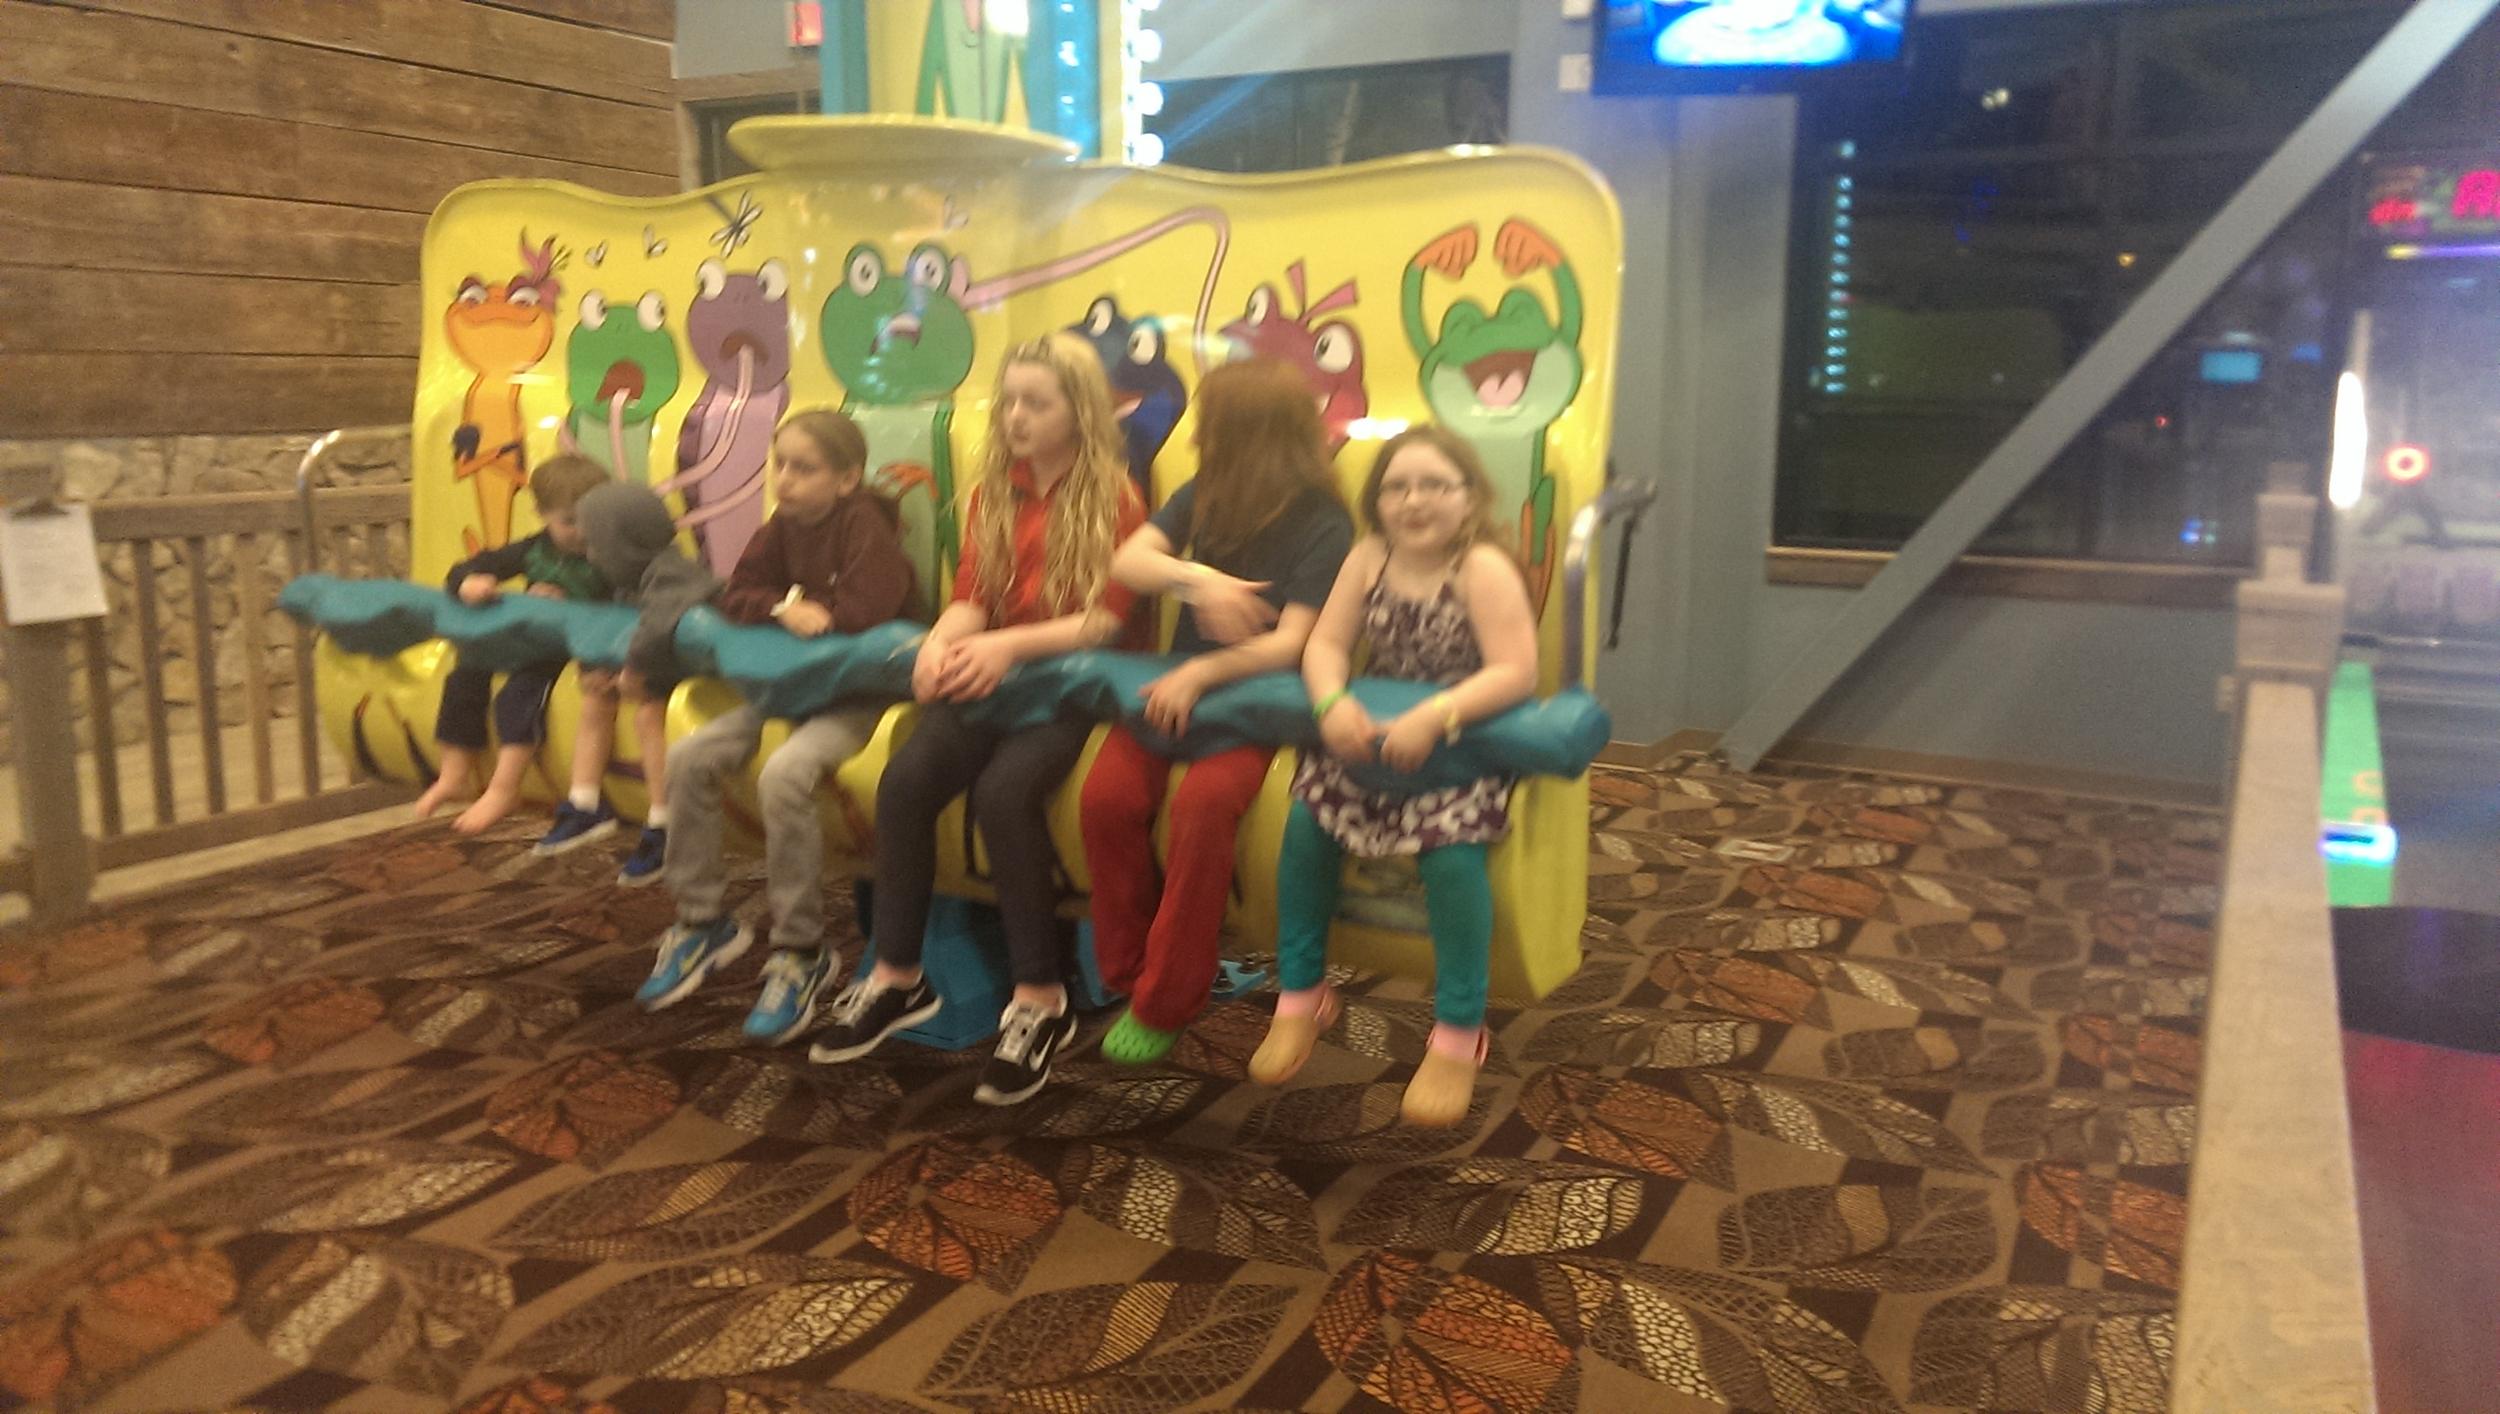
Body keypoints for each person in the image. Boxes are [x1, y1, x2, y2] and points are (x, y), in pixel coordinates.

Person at [809, 332, 1147, 1106]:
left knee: (1004, 795)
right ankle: (898, 975)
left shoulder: (1116, 498)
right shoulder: (996, 491)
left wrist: (1000, 647)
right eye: (1011, 401)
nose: (1017, 418)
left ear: (1079, 411)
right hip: (998, 678)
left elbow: (1101, 624)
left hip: (1073, 690)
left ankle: (1040, 998)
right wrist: (941, 644)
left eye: (1038, 403)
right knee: (906, 781)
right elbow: (971, 594)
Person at [1249, 426, 1538, 1128]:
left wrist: (1436, 717)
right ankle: (1301, 994)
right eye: (1397, 487)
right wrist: (1330, 701)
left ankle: (1459, 1030)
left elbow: (1515, 671)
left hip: (1461, 738)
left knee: (1451, 858)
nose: (1414, 501)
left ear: (1469, 497)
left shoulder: (1482, 567)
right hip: (1377, 728)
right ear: (1378, 502)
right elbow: (1326, 643)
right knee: (1307, 825)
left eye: (1435, 485)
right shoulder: (1368, 557)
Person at [1079, 360, 1353, 1065]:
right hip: (1178, 691)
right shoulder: (1207, 495)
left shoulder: (1324, 520)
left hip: (1252, 701)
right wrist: (1198, 580)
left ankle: (1168, 997)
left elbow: (1293, 643)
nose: (1198, 438)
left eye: (1212, 427)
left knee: (1204, 808)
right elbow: (1130, 562)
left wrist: (1204, 669)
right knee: (1107, 800)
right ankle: (1133, 972)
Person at [635, 409, 917, 1040]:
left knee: (784, 775)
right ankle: (703, 919)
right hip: (788, 689)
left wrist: (820, 614)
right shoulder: (781, 526)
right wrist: (785, 607)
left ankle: (801, 949)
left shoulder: (866, 524)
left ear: (846, 480)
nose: (784, 480)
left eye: (803, 468)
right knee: (689, 757)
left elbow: (871, 608)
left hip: (855, 697)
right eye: (779, 463)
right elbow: (737, 595)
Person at [413, 454, 610, 833]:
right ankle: (454, 772)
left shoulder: (606, 554)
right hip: (525, 638)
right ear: (542, 514)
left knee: (519, 694)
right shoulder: (535, 549)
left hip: (564, 648)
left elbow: (621, 604)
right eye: (569, 522)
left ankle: (504, 788)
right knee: (466, 672)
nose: (582, 532)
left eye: (591, 520)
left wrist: (570, 606)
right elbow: (468, 567)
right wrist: (470, 584)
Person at [557, 481, 722, 883]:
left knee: (649, 715)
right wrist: (601, 667)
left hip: (703, 677)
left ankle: (666, 823)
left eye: (597, 545)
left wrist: (632, 670)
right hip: (665, 669)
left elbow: (659, 624)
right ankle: (584, 802)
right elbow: (619, 630)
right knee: (597, 698)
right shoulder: (632, 581)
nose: (592, 557)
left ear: (625, 542)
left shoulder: (671, 573)